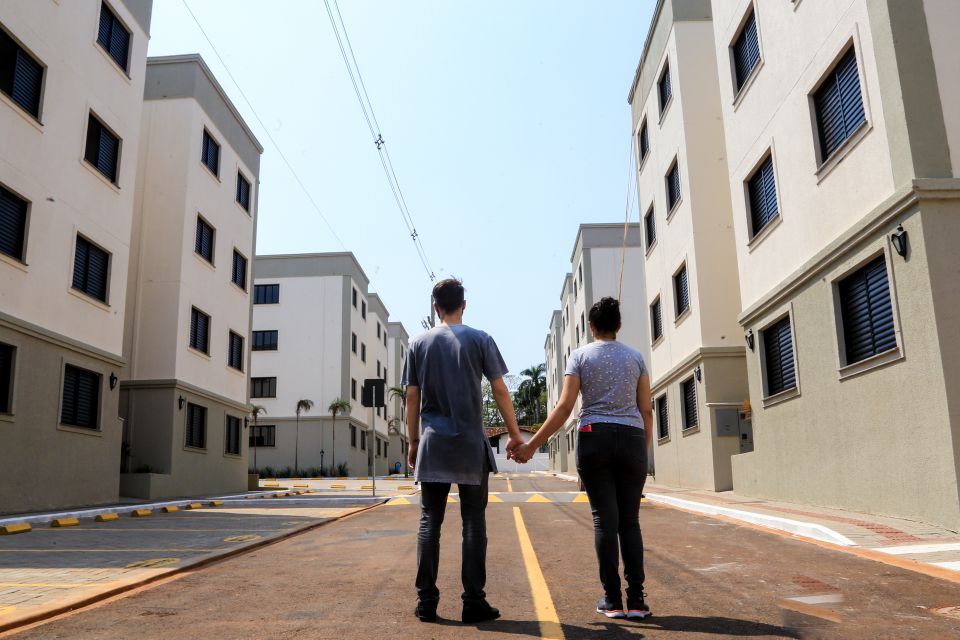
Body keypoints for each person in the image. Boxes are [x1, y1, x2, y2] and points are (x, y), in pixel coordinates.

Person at [512, 297, 653, 620]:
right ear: (619, 325)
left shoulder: (580, 357)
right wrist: (641, 452)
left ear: (591, 327)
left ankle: (613, 600)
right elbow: (646, 409)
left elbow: (564, 407)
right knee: (630, 521)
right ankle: (637, 601)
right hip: (632, 438)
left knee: (606, 520)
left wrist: (532, 445)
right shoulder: (636, 358)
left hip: (594, 436)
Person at [403, 278, 525, 624]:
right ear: (464, 305)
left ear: (434, 306)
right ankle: (473, 602)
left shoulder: (417, 343)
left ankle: (427, 601)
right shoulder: (480, 339)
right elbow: (500, 390)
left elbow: (412, 397)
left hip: (433, 443)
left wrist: (413, 442)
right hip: (471, 443)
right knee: (473, 522)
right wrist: (514, 435)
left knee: (430, 522)